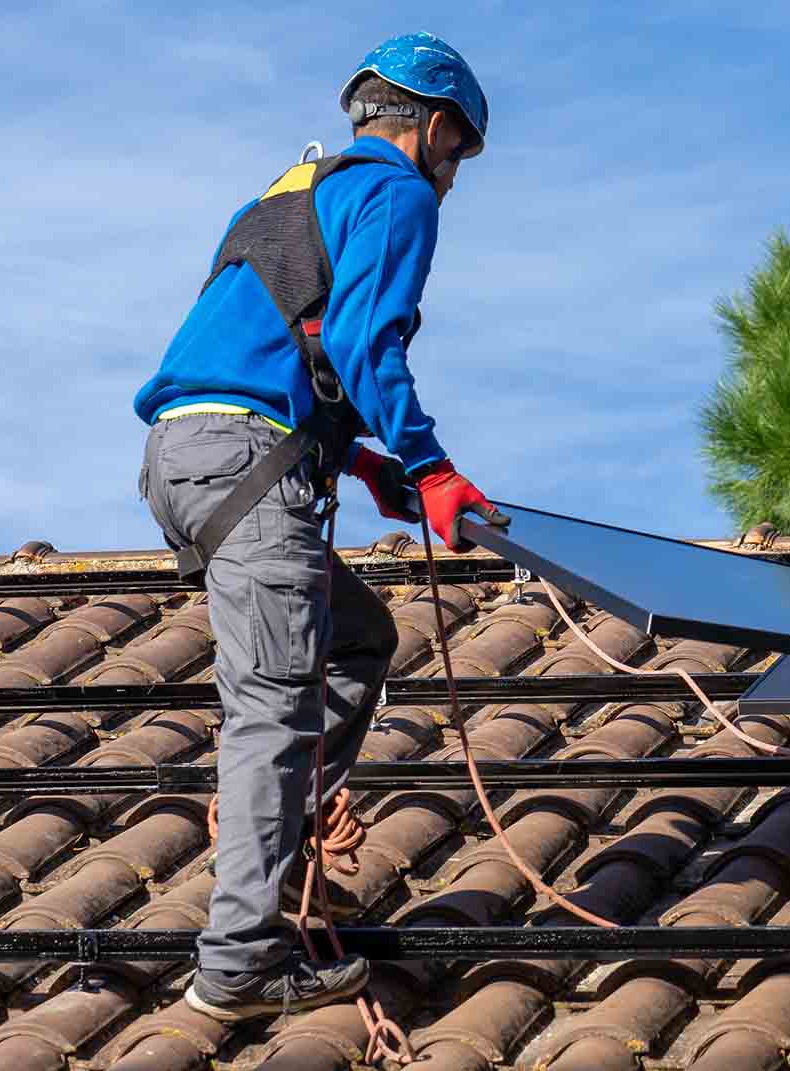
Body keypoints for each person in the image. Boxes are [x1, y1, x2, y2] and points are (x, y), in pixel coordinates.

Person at [132, 31, 507, 1020]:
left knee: (357, 637)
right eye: (458, 153)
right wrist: (431, 469)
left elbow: (280, 342)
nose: (452, 178)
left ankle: (281, 824)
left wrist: (364, 460)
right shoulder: (394, 192)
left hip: (190, 462)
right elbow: (362, 340)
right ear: (431, 128)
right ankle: (240, 963)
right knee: (271, 716)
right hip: (247, 465)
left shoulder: (288, 195)